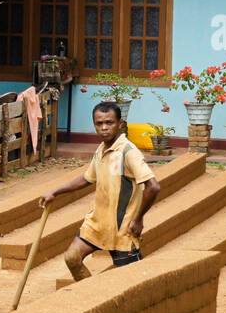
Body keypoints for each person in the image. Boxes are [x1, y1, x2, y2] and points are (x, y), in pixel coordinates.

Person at [38, 101, 161, 282]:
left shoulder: (128, 152)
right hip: (97, 223)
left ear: (120, 124)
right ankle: (91, 293)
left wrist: (138, 219)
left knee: (129, 282)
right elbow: (88, 178)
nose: (104, 128)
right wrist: (55, 192)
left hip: (123, 229)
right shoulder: (101, 149)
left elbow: (153, 186)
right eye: (99, 124)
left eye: (109, 123)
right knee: (72, 258)